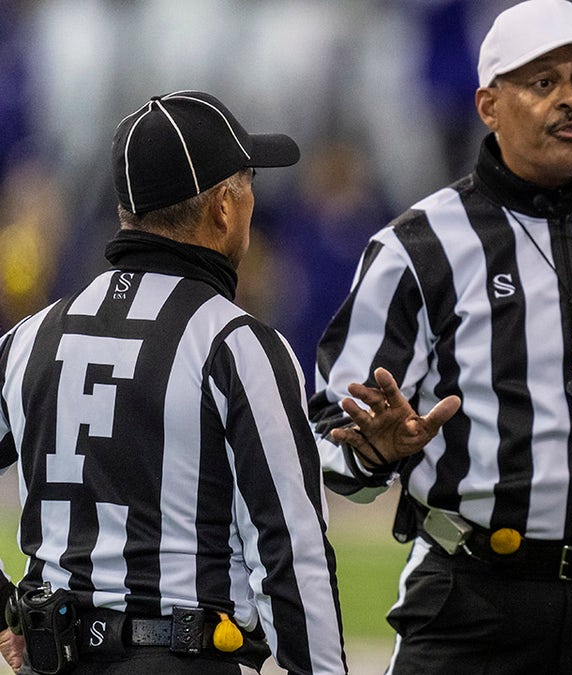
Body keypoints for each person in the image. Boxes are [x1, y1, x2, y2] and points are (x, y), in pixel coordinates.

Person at [307, 1, 572, 673]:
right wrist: (371, 454)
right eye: (544, 83)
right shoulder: (418, 245)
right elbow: (331, 430)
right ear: (488, 104)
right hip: (470, 598)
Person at [0, 90, 346, 675]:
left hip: (54, 660)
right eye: (248, 181)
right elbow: (293, 552)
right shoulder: (237, 345)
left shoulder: (30, 337)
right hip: (182, 659)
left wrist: (8, 607)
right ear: (224, 208)